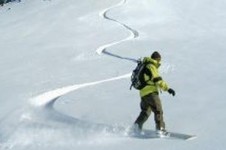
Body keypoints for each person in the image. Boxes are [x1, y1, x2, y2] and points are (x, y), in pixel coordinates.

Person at [133, 51, 175, 134]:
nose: (159, 62)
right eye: (159, 60)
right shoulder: (151, 66)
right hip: (151, 93)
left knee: (145, 112)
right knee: (158, 110)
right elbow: (157, 80)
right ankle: (160, 129)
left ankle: (136, 127)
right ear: (157, 59)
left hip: (143, 93)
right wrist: (168, 89)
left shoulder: (146, 65)